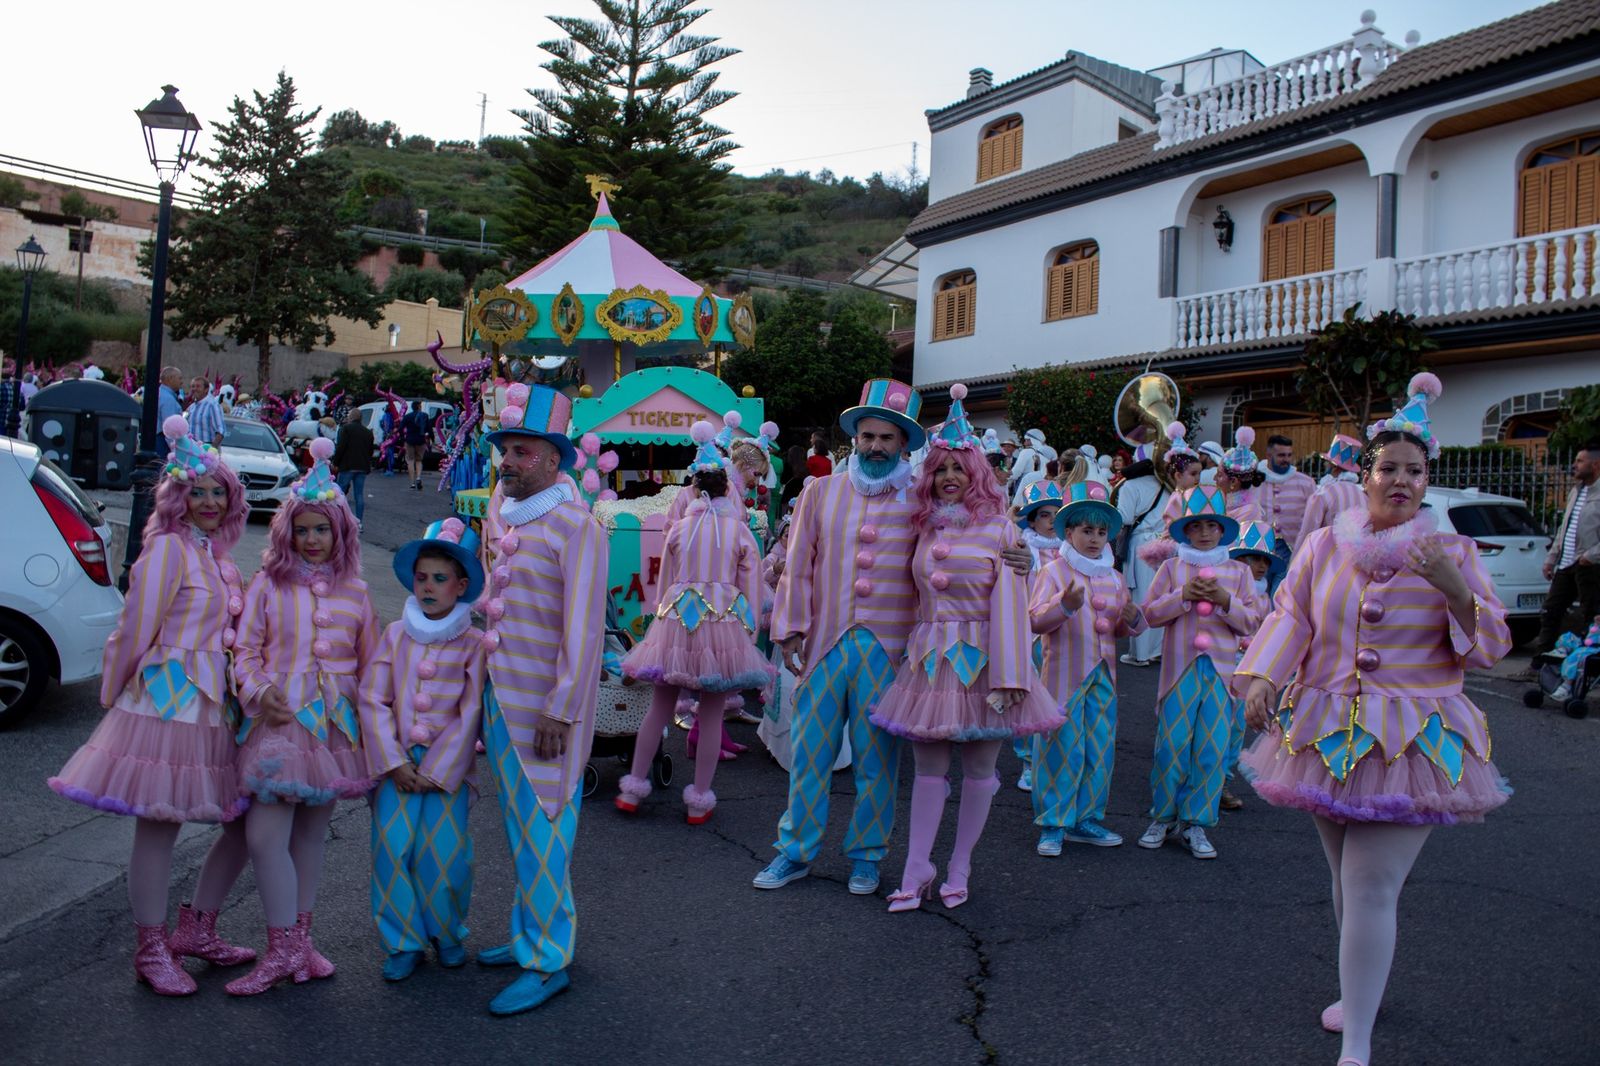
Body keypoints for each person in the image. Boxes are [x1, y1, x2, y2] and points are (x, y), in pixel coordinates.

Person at [1238, 371, 1511, 1066]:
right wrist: (1266, 674)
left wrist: (1455, 592)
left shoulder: (1453, 553)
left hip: (1410, 739)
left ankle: (1356, 1043)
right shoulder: (1325, 544)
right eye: (1388, 467)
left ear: (1426, 480)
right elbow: (1291, 615)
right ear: (1365, 474)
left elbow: (1490, 647)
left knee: (1370, 883)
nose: (1400, 480)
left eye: (1414, 471)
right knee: (1341, 879)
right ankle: (1360, 991)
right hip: (1324, 729)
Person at [48, 415, 254, 996]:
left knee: (242, 820)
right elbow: (133, 629)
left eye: (220, 491)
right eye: (199, 491)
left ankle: (197, 930)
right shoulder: (167, 547)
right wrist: (113, 693)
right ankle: (151, 948)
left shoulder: (212, 551)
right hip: (168, 703)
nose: (210, 501)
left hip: (217, 704)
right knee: (160, 826)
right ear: (176, 495)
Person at [869, 385, 1061, 911]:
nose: (949, 478)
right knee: (928, 771)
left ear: (977, 476)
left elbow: (1021, 590)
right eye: (940, 470)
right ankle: (916, 868)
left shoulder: (1001, 529)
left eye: (960, 469)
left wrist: (1031, 565)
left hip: (987, 664)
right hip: (929, 662)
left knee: (980, 772)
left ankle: (960, 868)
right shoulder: (921, 528)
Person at [755, 378, 926, 896]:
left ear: (904, 444)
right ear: (854, 438)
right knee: (810, 756)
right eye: (867, 436)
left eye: (886, 438)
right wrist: (789, 628)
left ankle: (868, 856)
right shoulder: (820, 491)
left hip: (889, 648)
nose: (875, 446)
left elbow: (953, 555)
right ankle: (795, 851)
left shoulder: (922, 500)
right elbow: (798, 566)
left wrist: (1017, 553)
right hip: (826, 641)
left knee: (878, 761)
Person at [473, 383, 608, 1016]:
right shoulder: (502, 514)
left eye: (522, 452)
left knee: (547, 829)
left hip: (546, 709)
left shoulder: (576, 525)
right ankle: (529, 933)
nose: (509, 461)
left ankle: (548, 960)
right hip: (501, 699)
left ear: (554, 459)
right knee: (520, 828)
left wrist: (561, 707)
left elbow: (583, 628)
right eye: (505, 450)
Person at [228, 438, 377, 996]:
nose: (312, 539)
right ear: (286, 531)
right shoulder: (267, 584)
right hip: (277, 724)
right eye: (303, 529)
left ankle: (302, 945)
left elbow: (372, 667)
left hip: (335, 732)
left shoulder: (359, 593)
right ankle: (282, 946)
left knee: (310, 839)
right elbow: (244, 652)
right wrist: (258, 689)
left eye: (323, 529)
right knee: (266, 837)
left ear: (341, 534)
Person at [616, 422, 770, 823]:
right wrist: (748, 631)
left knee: (660, 707)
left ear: (694, 489)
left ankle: (633, 787)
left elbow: (665, 582)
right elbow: (751, 586)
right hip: (721, 623)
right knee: (712, 713)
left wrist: (662, 616)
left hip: (676, 619)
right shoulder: (739, 531)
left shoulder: (680, 528)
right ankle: (699, 798)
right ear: (728, 489)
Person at [358, 518, 486, 982]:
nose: (428, 586)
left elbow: (472, 709)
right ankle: (403, 940)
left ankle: (447, 933)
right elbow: (373, 697)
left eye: (439, 578)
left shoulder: (474, 644)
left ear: (461, 586)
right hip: (398, 767)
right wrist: (393, 761)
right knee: (392, 852)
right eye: (421, 577)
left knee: (446, 856)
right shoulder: (396, 634)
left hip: (444, 772)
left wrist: (440, 767)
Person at [1136, 485, 1262, 859]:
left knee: (1211, 750)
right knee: (1171, 747)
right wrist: (1184, 596)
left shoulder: (1239, 572)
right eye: (1196, 525)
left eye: (1211, 525)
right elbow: (1151, 613)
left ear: (1223, 530)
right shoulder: (1172, 567)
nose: (1204, 532)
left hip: (1223, 677)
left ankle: (1196, 823)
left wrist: (1225, 601)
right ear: (1185, 530)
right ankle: (1163, 816)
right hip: (1178, 672)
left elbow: (1253, 621)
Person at [1028, 481, 1144, 854]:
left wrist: (1132, 618)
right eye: (1086, 530)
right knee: (1060, 748)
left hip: (1103, 677)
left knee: (1099, 748)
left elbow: (1122, 628)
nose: (1094, 538)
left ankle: (1086, 818)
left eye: (1101, 531)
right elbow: (1034, 621)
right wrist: (1064, 606)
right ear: (1069, 532)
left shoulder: (1113, 576)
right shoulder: (1054, 573)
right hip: (1062, 677)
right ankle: (1053, 822)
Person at [1219, 520, 1285, 811]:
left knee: (1235, 729)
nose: (1259, 566)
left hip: (1247, 673)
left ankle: (1221, 780)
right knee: (1214, 725)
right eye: (1251, 558)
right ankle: (1205, 780)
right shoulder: (1224, 587)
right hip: (1221, 668)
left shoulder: (1266, 595)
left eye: (1263, 560)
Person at [1527, 443, 1600, 674]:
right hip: (1566, 563)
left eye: (1580, 461)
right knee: (1550, 611)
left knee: (1591, 617)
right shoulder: (1576, 491)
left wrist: (1590, 556)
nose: (1574, 465)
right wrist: (1551, 558)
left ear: (1595, 465)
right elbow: (1564, 528)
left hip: (1590, 566)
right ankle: (1539, 665)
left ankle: (1586, 670)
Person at [1012, 479, 1065, 792]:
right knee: (1028, 696)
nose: (1052, 522)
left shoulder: (1071, 549)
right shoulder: (1023, 549)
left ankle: (1056, 755)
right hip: (1029, 633)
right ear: (1032, 520)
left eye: (1057, 515)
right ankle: (1029, 760)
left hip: (1062, 633)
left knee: (1058, 695)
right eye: (1045, 515)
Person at [1115, 453, 1168, 668]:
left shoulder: (1130, 485)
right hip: (1164, 543)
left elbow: (1125, 517)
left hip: (1141, 545)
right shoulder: (1166, 485)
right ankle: (1157, 650)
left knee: (1141, 595)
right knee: (1160, 594)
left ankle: (1141, 654)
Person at [1258, 433, 1316, 563]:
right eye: (1281, 455)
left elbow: (1314, 517)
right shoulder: (1256, 482)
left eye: (1289, 455)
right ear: (1268, 456)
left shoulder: (1306, 483)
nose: (1286, 459)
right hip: (1260, 550)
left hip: (1294, 550)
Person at [1300, 433, 1365, 535]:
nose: (1325, 464)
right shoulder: (1363, 495)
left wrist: (1299, 551)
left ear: (1334, 467)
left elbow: (1307, 533)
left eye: (1327, 462)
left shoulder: (1323, 493)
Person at [332, 406, 375, 526]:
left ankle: (338, 519)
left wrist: (335, 462)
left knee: (339, 493)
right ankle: (359, 522)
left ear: (351, 417)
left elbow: (341, 447)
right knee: (359, 494)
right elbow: (370, 451)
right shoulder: (368, 432)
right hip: (362, 467)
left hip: (347, 465)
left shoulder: (346, 429)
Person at [1214, 426, 1265, 525]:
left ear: (1233, 481)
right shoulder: (1220, 499)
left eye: (1219, 475)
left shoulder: (1250, 511)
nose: (1214, 478)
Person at [186, 376, 224, 448]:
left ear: (206, 389)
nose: (194, 389)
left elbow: (220, 431)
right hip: (191, 449)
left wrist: (211, 450)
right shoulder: (192, 407)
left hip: (206, 448)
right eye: (193, 386)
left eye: (198, 386)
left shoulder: (213, 405)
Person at [401, 401, 431, 490]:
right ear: (418, 406)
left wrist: (403, 438)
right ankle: (418, 477)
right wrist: (429, 439)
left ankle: (412, 483)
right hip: (421, 440)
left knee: (410, 460)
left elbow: (400, 428)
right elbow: (429, 429)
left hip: (409, 440)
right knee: (419, 460)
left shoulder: (407, 416)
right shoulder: (425, 416)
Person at [155, 367, 184, 459]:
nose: (182, 382)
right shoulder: (168, 399)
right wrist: (175, 451)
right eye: (180, 378)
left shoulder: (159, 393)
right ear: (170, 379)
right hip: (162, 443)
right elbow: (170, 429)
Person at [0, 357, 23, 439]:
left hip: (1, 420)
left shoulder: (1, 387)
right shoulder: (15, 388)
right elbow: (22, 405)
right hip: (12, 423)